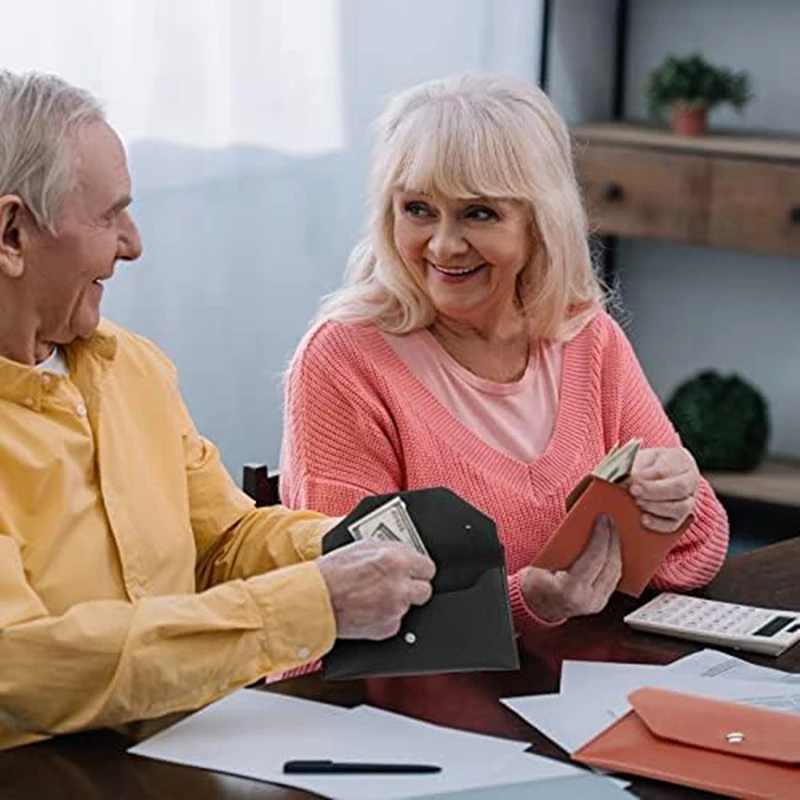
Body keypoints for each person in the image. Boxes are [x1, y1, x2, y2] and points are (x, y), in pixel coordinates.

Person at [0, 71, 436, 752]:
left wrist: (349, 549)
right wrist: (310, 604)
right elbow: (20, 666)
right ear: (11, 233)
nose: (134, 243)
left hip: (192, 751)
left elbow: (223, 543)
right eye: (109, 215)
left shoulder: (131, 368)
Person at [281, 72, 729, 644]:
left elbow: (696, 557)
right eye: (418, 209)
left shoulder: (586, 336)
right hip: (394, 711)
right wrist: (526, 601)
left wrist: (677, 501)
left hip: (571, 687)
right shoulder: (345, 359)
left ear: (539, 223)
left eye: (479, 213)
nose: (443, 245)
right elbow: (353, 615)